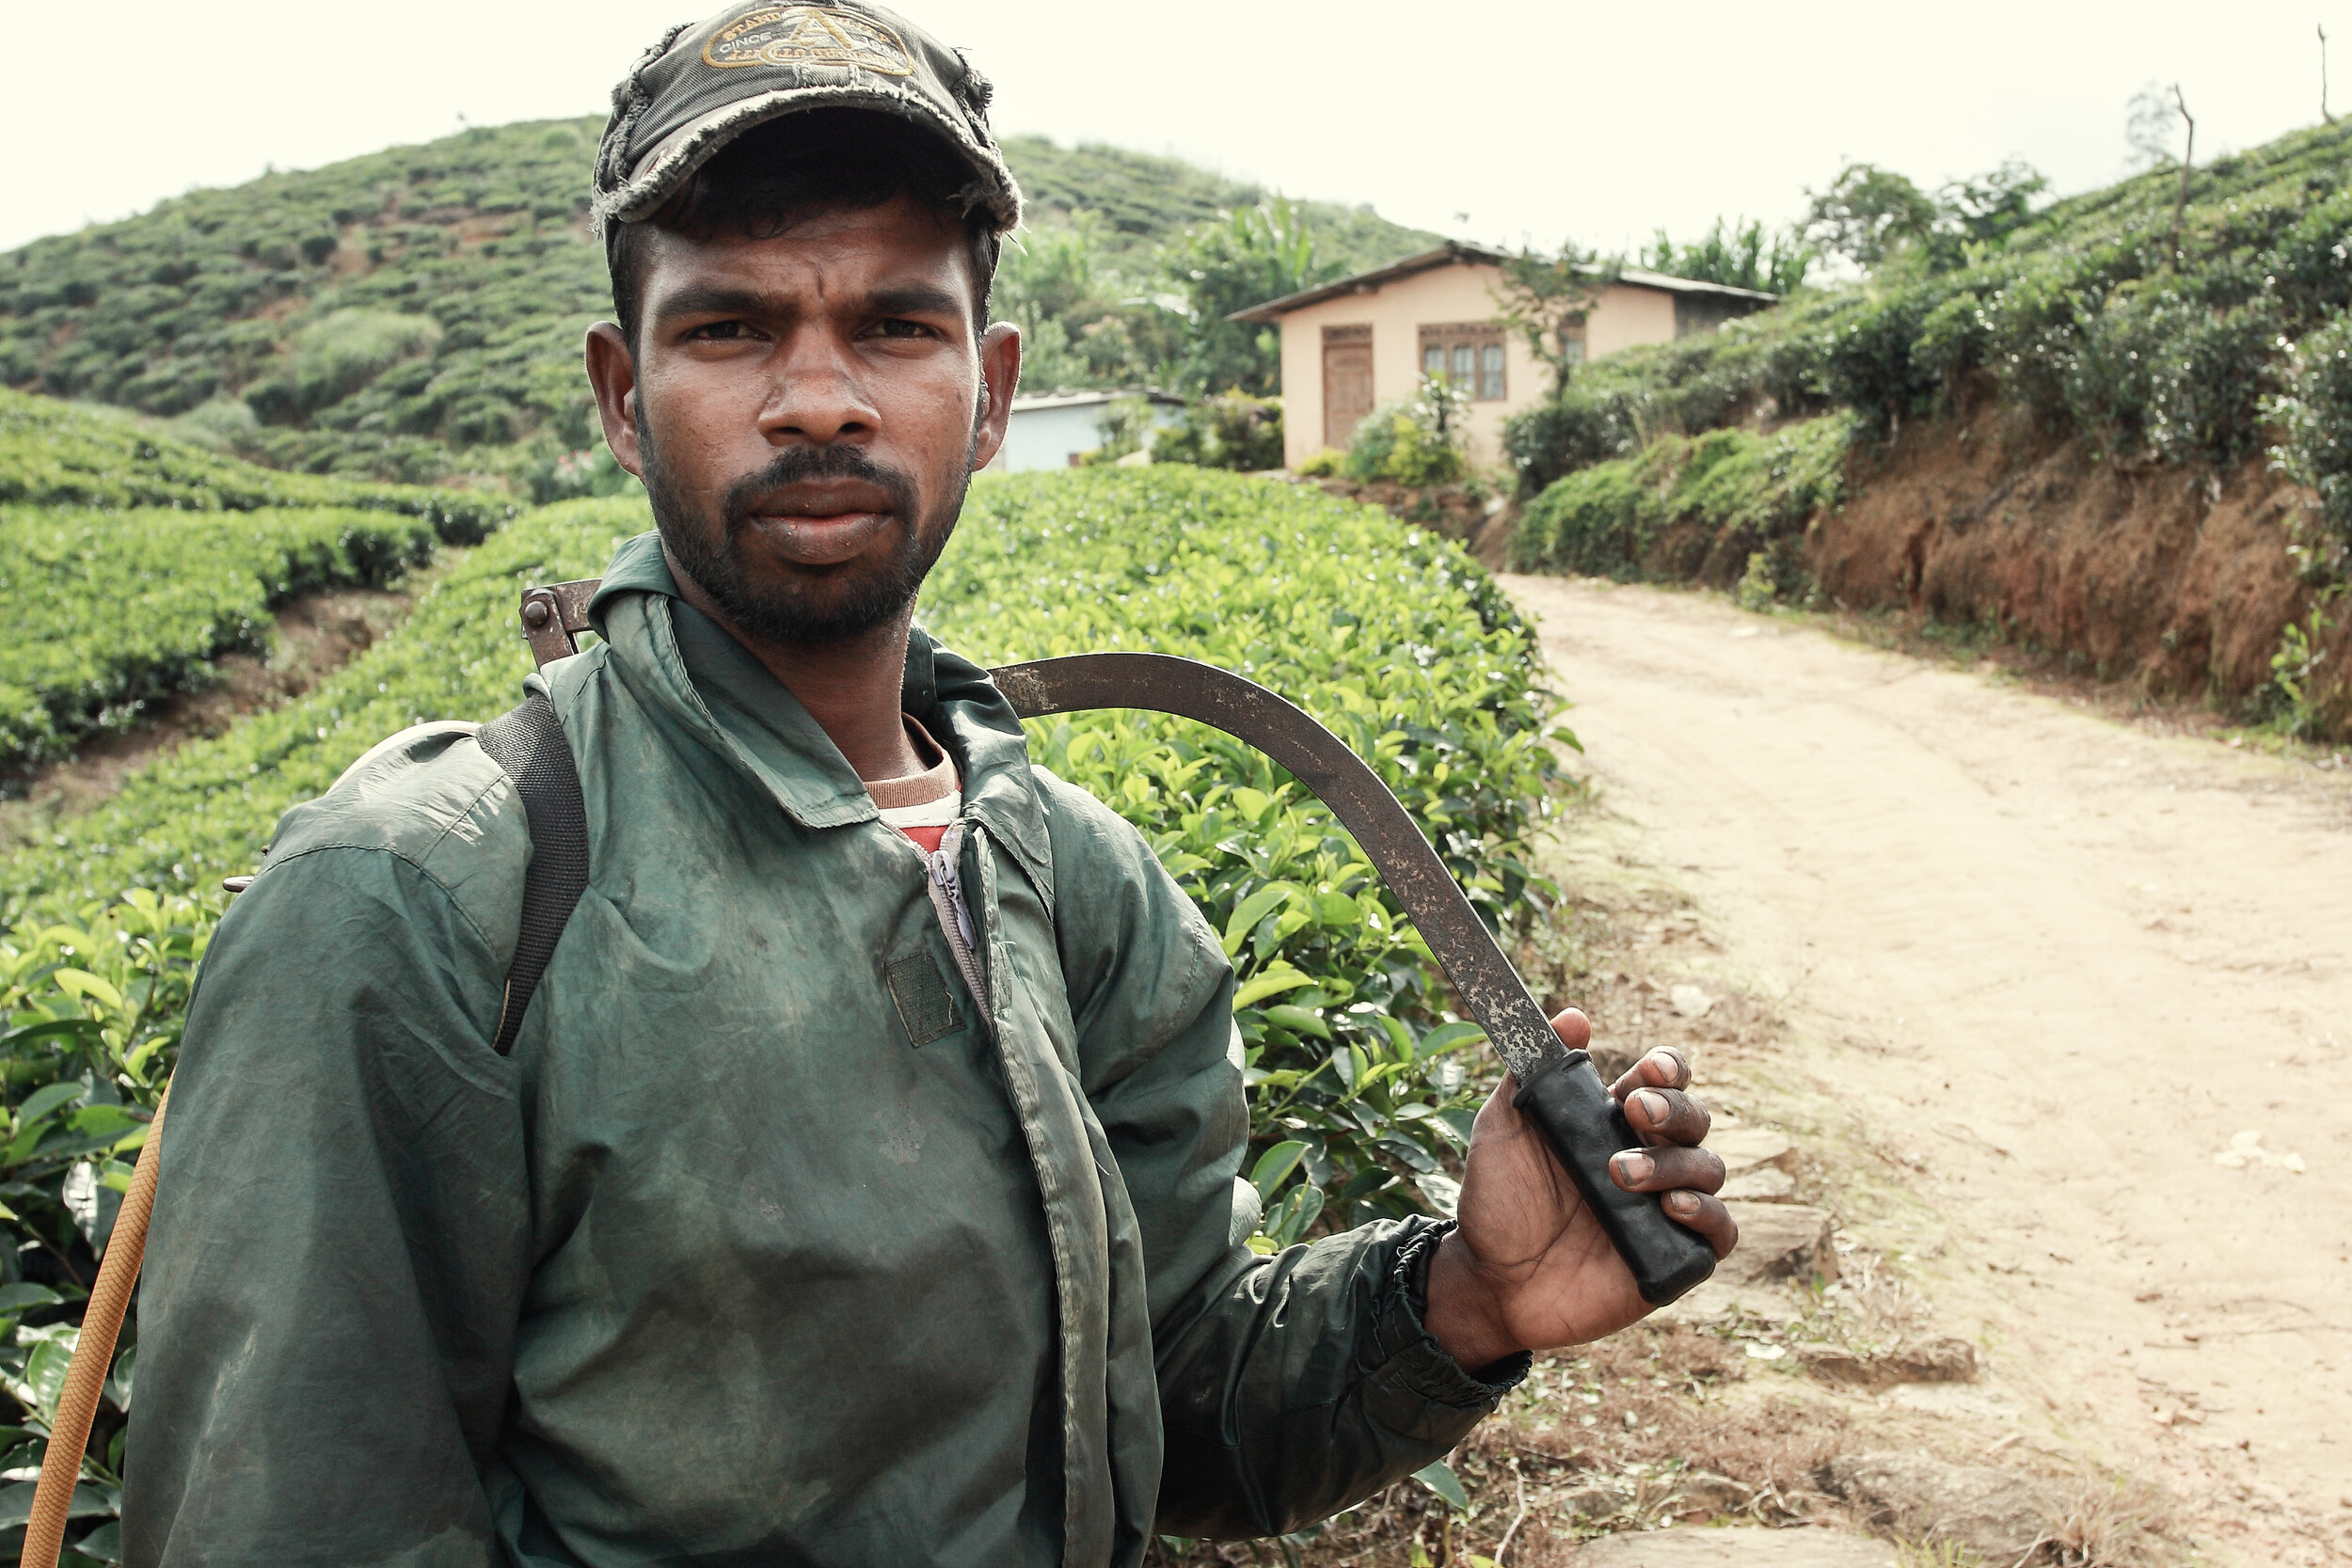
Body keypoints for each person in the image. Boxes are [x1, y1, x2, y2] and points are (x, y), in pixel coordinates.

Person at [124, 5, 1735, 1563]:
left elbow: (1171, 1405)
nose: (818, 395)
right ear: (624, 397)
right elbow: (295, 1513)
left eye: (895, 324)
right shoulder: (427, 894)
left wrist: (1457, 1298)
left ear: (993, 391)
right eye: (730, 325)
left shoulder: (1081, 884)